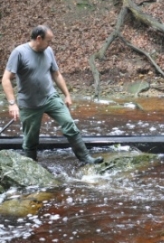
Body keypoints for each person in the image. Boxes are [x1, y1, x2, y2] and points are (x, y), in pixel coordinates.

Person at [1, 25, 103, 164]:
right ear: (38, 39)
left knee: (69, 123)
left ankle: (85, 158)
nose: (50, 44)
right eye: (48, 40)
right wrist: (12, 104)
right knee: (30, 139)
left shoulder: (48, 51)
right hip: (30, 103)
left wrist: (67, 94)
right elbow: (6, 79)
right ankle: (30, 167)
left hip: (50, 97)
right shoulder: (19, 53)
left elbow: (56, 74)